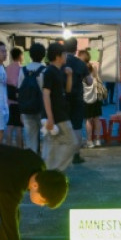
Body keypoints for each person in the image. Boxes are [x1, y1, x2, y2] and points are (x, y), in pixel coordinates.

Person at [42, 42, 79, 170]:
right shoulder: (50, 72)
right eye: (64, 54)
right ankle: (56, 170)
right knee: (72, 142)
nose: (66, 57)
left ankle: (49, 171)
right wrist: (50, 117)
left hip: (59, 112)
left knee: (52, 144)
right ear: (58, 57)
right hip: (57, 115)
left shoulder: (59, 71)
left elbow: (67, 90)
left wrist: (69, 75)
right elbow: (46, 94)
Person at [63, 38, 89, 164]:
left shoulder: (61, 62)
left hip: (62, 99)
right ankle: (76, 155)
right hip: (78, 98)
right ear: (76, 48)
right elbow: (89, 82)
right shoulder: (81, 63)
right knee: (77, 127)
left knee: (62, 126)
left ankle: (64, 153)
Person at [20, 43, 47, 154]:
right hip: (42, 109)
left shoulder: (23, 70)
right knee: (46, 136)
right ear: (43, 55)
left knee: (30, 137)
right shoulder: (45, 70)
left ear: (30, 55)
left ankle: (32, 160)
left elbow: (19, 89)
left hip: (26, 108)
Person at [79, 49, 105, 148]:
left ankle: (89, 141)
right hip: (96, 96)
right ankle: (98, 140)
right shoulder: (94, 67)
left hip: (86, 97)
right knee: (97, 119)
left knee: (88, 120)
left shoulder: (81, 69)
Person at [5, 47, 24, 148]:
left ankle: (8, 147)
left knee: (10, 125)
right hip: (19, 101)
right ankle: (19, 149)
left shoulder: (6, 68)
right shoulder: (21, 69)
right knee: (19, 127)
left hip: (9, 101)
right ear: (20, 56)